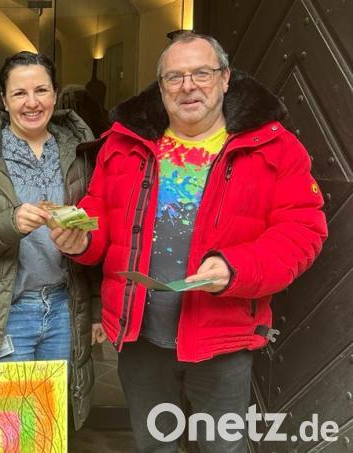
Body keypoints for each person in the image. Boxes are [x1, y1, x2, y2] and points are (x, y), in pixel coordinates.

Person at [60, 32, 328, 451]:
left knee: (222, 447)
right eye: (175, 77)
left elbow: (303, 231)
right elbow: (99, 216)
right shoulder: (125, 143)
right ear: (161, 86)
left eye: (201, 73)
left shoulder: (273, 146)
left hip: (221, 337)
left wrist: (235, 268)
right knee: (154, 446)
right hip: (139, 336)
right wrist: (80, 240)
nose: (188, 86)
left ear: (225, 78)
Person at [0, 51, 105, 430]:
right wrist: (11, 222)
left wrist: (97, 308)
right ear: (4, 100)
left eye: (41, 90)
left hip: (66, 308)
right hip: (7, 310)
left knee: (50, 425)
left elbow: (102, 231)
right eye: (19, 93)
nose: (31, 102)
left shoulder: (81, 152)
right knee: (7, 426)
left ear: (55, 94)